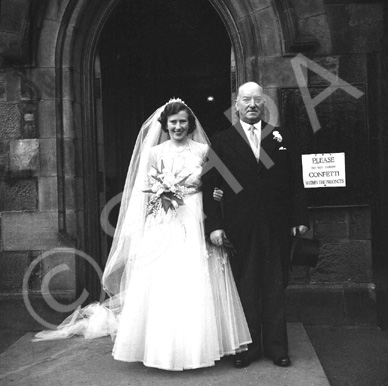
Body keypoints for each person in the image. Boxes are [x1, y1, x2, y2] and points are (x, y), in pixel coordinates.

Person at [34, 99, 251, 371]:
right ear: (165, 125)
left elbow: (217, 183)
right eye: (173, 122)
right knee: (165, 280)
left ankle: (201, 345)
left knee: (197, 276)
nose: (178, 126)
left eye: (183, 121)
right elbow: (146, 191)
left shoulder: (203, 150)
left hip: (197, 217)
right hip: (165, 220)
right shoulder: (155, 153)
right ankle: (163, 349)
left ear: (190, 123)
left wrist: (218, 194)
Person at [202, 82, 309, 369]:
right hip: (239, 225)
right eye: (246, 100)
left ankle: (277, 348)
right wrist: (214, 225)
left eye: (257, 100)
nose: (252, 104)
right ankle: (247, 349)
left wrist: (299, 218)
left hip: (276, 224)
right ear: (236, 105)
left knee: (275, 284)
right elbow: (210, 185)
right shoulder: (222, 140)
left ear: (263, 105)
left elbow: (294, 180)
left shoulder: (280, 136)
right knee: (245, 286)